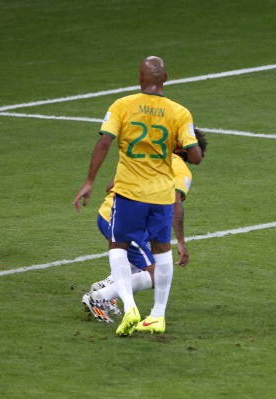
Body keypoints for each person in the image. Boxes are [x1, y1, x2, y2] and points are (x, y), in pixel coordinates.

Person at [73, 56, 203, 336]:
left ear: (140, 78)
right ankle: (138, 308)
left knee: (119, 248)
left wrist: (90, 181)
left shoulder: (122, 105)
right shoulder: (179, 114)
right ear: (166, 78)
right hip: (157, 198)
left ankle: (124, 302)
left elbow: (105, 143)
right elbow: (195, 158)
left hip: (128, 195)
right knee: (160, 257)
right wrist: (181, 241)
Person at [82, 129, 208, 325]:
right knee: (158, 274)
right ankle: (99, 297)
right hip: (125, 222)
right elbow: (175, 202)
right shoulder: (179, 168)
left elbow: (110, 186)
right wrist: (181, 241)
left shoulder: (149, 155)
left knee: (144, 254)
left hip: (109, 214)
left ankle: (106, 287)